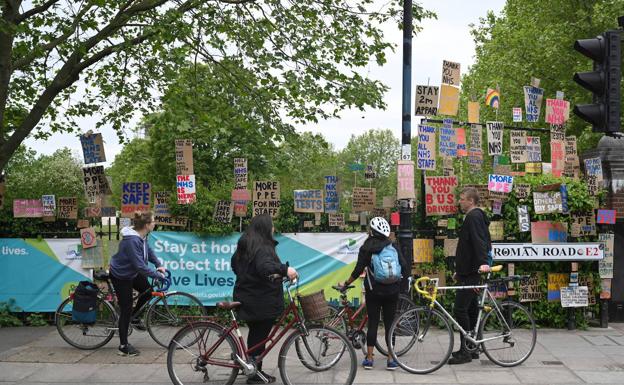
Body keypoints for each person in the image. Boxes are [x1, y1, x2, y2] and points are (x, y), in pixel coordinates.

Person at [231, 213, 298, 384]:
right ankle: (253, 373)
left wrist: (249, 278)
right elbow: (264, 267)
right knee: (260, 336)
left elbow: (234, 264)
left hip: (247, 296)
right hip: (260, 300)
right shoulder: (262, 247)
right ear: (265, 228)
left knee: (257, 336)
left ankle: (254, 371)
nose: (273, 228)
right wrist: (285, 270)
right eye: (272, 225)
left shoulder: (246, 244)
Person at [339, 217, 410, 371]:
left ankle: (369, 358)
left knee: (373, 323)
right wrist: (399, 282)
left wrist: (346, 284)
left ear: (371, 231)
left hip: (374, 291)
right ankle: (391, 360)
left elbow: (358, 271)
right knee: (390, 324)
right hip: (392, 291)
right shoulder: (393, 246)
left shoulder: (367, 248)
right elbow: (404, 266)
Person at [109, 211, 166, 356]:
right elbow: (139, 266)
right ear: (147, 225)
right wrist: (157, 275)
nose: (155, 223)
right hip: (121, 275)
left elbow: (149, 251)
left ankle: (133, 318)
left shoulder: (142, 236)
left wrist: (158, 264)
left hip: (131, 272)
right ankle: (123, 346)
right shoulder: (132, 241)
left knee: (147, 291)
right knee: (126, 309)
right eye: (153, 221)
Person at [448, 187, 491, 365]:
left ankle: (466, 351)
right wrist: (461, 268)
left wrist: (483, 263)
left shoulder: (473, 217)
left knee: (460, 309)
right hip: (468, 271)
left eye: (462, 198)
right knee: (471, 309)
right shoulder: (475, 216)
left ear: (471, 201)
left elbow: (478, 240)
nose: (460, 201)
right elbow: (470, 246)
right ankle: (471, 348)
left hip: (472, 272)